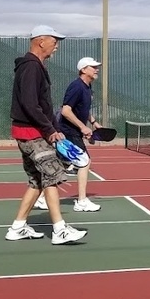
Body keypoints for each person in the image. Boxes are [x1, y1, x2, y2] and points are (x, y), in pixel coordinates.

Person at [4, 25, 87, 245]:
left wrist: (55, 129)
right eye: (54, 41)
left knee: (37, 180)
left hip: (30, 132)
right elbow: (31, 104)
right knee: (52, 176)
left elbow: (42, 104)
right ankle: (60, 230)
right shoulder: (31, 67)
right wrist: (50, 130)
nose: (57, 46)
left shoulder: (35, 66)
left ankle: (18, 227)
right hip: (33, 134)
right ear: (41, 41)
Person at [40, 56, 103, 213]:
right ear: (83, 70)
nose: (97, 69)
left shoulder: (88, 88)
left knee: (62, 164)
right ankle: (81, 201)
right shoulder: (76, 87)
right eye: (93, 67)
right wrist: (83, 127)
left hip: (74, 132)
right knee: (85, 161)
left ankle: (41, 197)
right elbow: (66, 110)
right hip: (67, 132)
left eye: (97, 67)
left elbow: (83, 109)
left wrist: (93, 123)